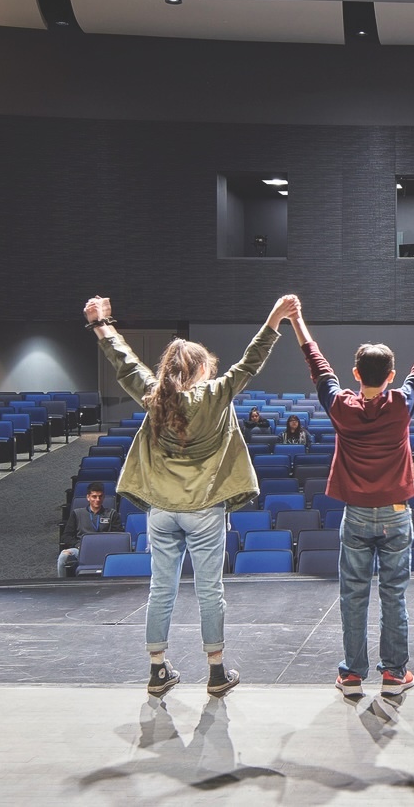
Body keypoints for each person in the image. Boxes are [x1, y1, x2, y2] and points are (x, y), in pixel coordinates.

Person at [86, 292, 292, 699]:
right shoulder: (215, 395)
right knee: (209, 590)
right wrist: (274, 320)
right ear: (200, 368)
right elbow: (250, 361)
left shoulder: (154, 396)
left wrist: (101, 326)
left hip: (161, 511)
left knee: (160, 589)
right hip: (204, 510)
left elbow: (124, 361)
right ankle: (216, 672)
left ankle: (157, 669)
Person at [292, 296, 414, 698]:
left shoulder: (341, 407)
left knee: (353, 596)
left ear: (356, 373)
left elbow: (318, 366)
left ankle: (352, 674)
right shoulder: (401, 405)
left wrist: (297, 320)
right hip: (397, 515)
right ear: (391, 375)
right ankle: (395, 674)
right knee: (394, 595)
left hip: (357, 516)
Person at [57, 484, 122, 577]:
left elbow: (118, 535)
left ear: (103, 497)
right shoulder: (77, 513)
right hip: (82, 549)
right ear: (88, 497)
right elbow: (66, 536)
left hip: (105, 549)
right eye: (94, 497)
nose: (97, 500)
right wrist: (78, 545)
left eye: (100, 496)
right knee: (63, 556)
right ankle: (62, 586)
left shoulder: (112, 514)